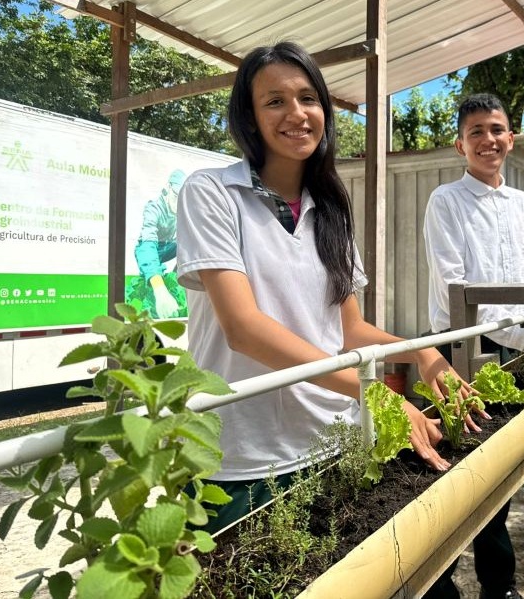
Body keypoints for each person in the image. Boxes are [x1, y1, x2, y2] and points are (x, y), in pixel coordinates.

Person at [176, 41, 472, 535]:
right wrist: (373, 393)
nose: (297, 113)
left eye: (308, 98)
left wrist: (421, 354)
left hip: (332, 442)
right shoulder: (212, 193)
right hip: (242, 457)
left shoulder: (330, 208)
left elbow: (348, 330)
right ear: (249, 117)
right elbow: (243, 329)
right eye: (274, 101)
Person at [423, 93, 524, 599]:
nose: (487, 140)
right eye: (476, 131)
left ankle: (500, 584)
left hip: (517, 350)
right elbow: (456, 289)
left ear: (510, 139)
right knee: (459, 467)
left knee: (502, 470)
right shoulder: (445, 201)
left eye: (496, 129)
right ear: (460, 144)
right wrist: (517, 329)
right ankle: (443, 584)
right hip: (462, 350)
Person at [132, 169, 187, 318]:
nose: (178, 203)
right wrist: (160, 289)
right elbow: (148, 239)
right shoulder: (154, 207)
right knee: (146, 246)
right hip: (149, 247)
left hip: (167, 247)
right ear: (169, 188)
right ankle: (158, 287)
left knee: (188, 242)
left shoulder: (182, 210)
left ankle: (177, 281)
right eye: (176, 196)